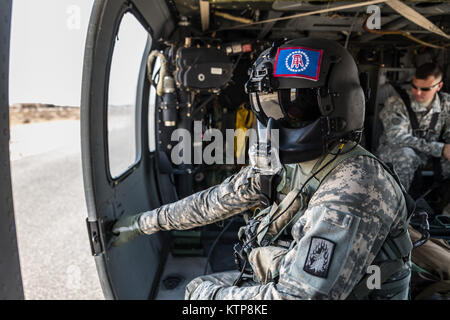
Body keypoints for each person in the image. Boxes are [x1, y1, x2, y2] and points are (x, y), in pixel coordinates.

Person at [112, 38, 413, 300]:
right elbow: (216, 201)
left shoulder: (354, 186)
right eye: (269, 105)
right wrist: (143, 223)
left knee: (200, 291)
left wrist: (204, 294)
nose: (278, 120)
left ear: (341, 104)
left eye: (296, 106)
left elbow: (296, 298)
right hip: (295, 278)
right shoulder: (282, 163)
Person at [376, 63, 450, 193]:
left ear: (439, 86)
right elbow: (397, 138)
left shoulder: (446, 104)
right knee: (406, 155)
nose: (418, 92)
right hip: (396, 153)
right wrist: (440, 149)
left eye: (425, 89)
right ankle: (400, 205)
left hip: (430, 156)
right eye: (414, 87)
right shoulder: (397, 103)